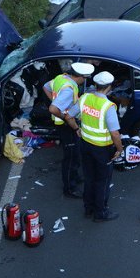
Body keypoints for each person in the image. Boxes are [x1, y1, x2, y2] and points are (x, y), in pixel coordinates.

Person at [65, 71, 124, 222]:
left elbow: (68, 116)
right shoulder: (108, 106)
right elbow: (115, 134)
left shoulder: (85, 98)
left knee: (89, 177)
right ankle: (100, 213)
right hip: (102, 149)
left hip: (85, 145)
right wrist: (119, 149)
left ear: (96, 85)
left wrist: (77, 129)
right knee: (102, 181)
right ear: (108, 87)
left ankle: (88, 208)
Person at [43, 62, 94, 198]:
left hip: (65, 123)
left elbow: (46, 87)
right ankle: (69, 188)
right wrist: (65, 115)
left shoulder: (61, 78)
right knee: (71, 157)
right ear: (81, 77)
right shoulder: (69, 89)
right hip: (66, 125)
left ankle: (75, 177)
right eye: (85, 78)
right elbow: (53, 109)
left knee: (75, 152)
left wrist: (57, 101)